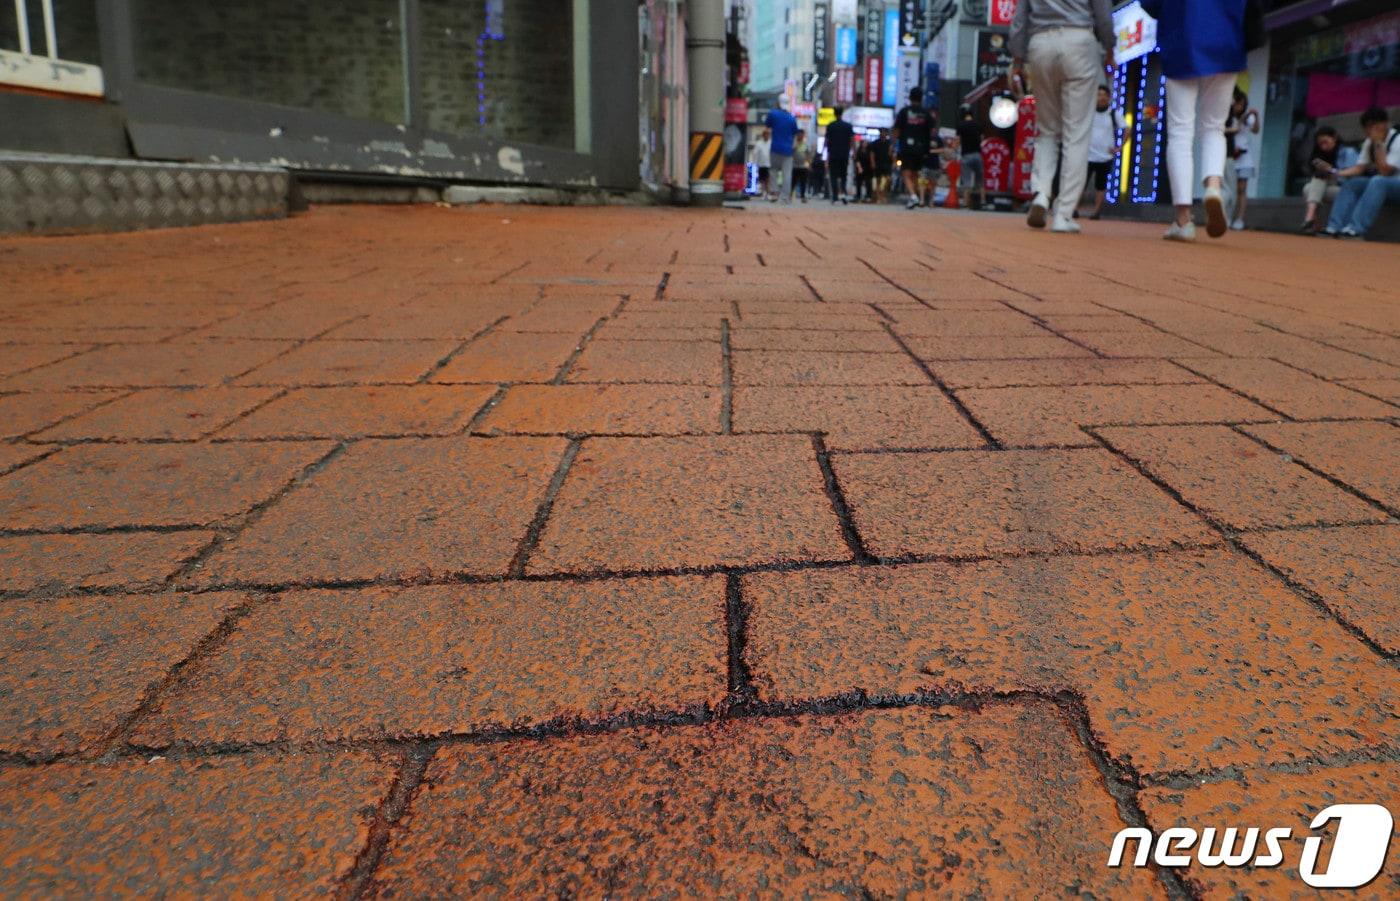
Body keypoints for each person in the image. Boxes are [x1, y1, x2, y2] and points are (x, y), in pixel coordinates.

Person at [1141, 0, 1247, 241]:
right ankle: (1213, 187)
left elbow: (1148, 4)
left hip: (1181, 39)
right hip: (1227, 41)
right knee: (1214, 128)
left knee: (1180, 131)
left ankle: (1183, 219)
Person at [1009, 0, 1115, 233]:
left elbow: (1019, 20)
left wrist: (1017, 59)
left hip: (1040, 45)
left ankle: (1041, 193)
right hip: (1080, 42)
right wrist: (1109, 49)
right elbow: (1104, 16)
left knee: (1046, 129)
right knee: (1076, 133)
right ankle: (1064, 213)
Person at [1321, 106, 1400, 239]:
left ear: (1385, 123)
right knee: (1353, 183)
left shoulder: (1397, 139)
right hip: (1383, 185)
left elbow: (1385, 171)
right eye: (1367, 127)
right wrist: (1334, 172)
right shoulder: (1369, 142)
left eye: (1375, 125)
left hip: (1395, 185)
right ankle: (1334, 227)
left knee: (1378, 181)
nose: (1371, 130)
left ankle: (1356, 229)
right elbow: (1359, 168)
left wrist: (1379, 143)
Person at [1299, 126, 1350, 233]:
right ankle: (1312, 221)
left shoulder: (1346, 152)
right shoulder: (1320, 154)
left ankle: (1310, 219)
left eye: (1325, 142)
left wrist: (1331, 171)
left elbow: (1351, 176)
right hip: (1328, 188)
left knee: (1312, 186)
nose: (1323, 147)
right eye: (1320, 144)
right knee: (1308, 187)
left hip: (1344, 190)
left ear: (1334, 138)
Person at [1085, 85, 1125, 219]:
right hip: (1088, 155)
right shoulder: (1089, 112)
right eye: (1098, 95)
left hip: (1105, 156)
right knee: (1080, 183)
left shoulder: (1114, 114)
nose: (1101, 98)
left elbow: (1127, 129)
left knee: (1100, 186)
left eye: (1104, 95)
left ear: (1108, 97)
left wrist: (1119, 147)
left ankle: (1096, 212)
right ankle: (1072, 209)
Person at [893, 87, 935, 209]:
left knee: (906, 174)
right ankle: (913, 198)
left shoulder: (904, 112)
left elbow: (897, 130)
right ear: (921, 98)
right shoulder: (926, 114)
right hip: (921, 149)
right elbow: (932, 131)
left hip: (906, 148)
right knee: (915, 174)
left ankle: (913, 196)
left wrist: (893, 144)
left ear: (910, 97)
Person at [1225, 88, 1260, 229]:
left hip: (1245, 158)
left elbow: (1256, 130)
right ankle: (1227, 217)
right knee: (1230, 188)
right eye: (1237, 103)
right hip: (1231, 156)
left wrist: (1256, 116)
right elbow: (1235, 128)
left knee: (1242, 189)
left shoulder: (1248, 117)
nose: (1238, 106)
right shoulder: (1228, 117)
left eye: (1241, 104)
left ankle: (1239, 219)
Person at [765, 99, 799, 203]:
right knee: (787, 174)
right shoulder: (792, 118)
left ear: (778, 103)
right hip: (788, 150)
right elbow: (795, 133)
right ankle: (784, 197)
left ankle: (774, 193)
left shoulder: (773, 114)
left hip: (775, 148)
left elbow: (767, 125)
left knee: (773, 171)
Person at [956, 106, 985, 210]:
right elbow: (982, 139)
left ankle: (965, 203)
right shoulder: (978, 124)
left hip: (966, 156)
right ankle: (982, 202)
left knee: (966, 181)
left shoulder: (961, 125)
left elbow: (958, 141)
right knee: (980, 181)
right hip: (977, 155)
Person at [825, 107, 855, 204]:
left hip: (833, 154)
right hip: (844, 154)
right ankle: (843, 195)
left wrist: (824, 152)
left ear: (834, 114)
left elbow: (826, 141)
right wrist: (853, 152)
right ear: (842, 114)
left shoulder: (830, 126)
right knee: (843, 176)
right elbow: (852, 140)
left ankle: (834, 196)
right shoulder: (848, 126)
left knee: (833, 176)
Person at [869, 128, 894, 204]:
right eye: (882, 132)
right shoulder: (875, 143)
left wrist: (893, 163)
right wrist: (872, 163)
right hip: (878, 163)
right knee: (878, 181)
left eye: (885, 132)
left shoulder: (889, 143)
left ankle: (884, 195)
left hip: (887, 163)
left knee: (888, 180)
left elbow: (892, 154)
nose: (883, 134)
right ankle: (878, 197)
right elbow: (872, 154)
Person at [751, 128, 772, 199]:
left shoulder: (771, 143)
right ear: (763, 135)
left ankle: (768, 193)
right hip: (761, 164)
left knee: (768, 179)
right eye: (765, 134)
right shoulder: (759, 143)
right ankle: (764, 193)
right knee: (762, 180)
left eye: (768, 134)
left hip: (769, 164)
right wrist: (755, 163)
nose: (767, 136)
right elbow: (755, 153)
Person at [792, 131, 812, 202]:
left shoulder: (805, 144)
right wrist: (795, 145)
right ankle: (790, 195)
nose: (800, 136)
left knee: (803, 182)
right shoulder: (793, 143)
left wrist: (809, 164)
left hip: (803, 166)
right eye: (799, 135)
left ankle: (803, 196)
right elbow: (791, 152)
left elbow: (808, 154)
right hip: (794, 166)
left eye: (802, 135)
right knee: (793, 182)